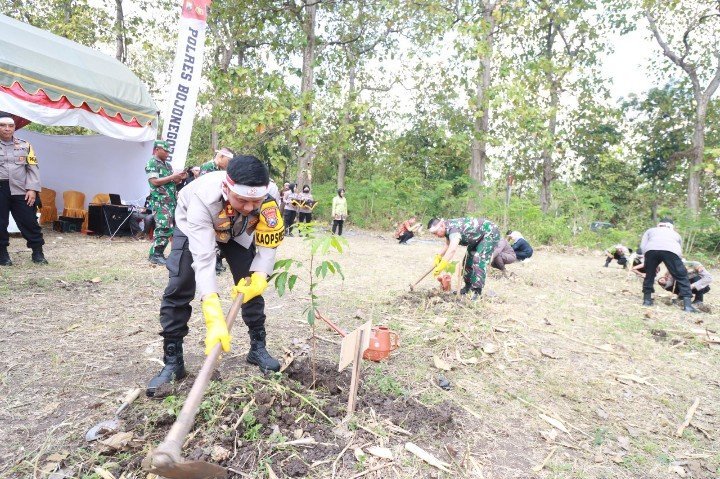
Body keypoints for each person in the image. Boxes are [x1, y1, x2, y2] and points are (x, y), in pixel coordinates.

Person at [146, 155, 285, 397]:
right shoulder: (202, 198)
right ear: (226, 189)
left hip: (238, 232)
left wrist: (261, 275)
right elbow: (204, 258)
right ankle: (173, 360)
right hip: (194, 227)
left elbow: (268, 240)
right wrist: (212, 314)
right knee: (181, 282)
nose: (251, 207)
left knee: (248, 280)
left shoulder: (269, 196)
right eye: (242, 200)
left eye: (256, 201)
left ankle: (258, 348)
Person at [0, 112, 47, 265]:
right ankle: (2, 254)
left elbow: (32, 168)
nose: (7, 128)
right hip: (1, 189)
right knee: (0, 223)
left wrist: (32, 189)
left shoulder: (25, 145)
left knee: (29, 221)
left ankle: (37, 252)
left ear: (14, 128)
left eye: (10, 126)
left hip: (22, 189)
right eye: (3, 125)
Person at [428, 217, 500, 299]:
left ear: (442, 225)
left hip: (489, 233)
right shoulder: (447, 228)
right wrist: (439, 256)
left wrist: (442, 265)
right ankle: (468, 287)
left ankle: (476, 291)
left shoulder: (453, 229)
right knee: (468, 260)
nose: (436, 236)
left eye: (436, 232)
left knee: (478, 260)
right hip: (477, 237)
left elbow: (452, 249)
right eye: (434, 234)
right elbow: (448, 245)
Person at [640, 218, 697, 313]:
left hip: (651, 250)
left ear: (659, 224)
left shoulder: (650, 230)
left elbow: (642, 246)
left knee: (649, 275)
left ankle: (647, 300)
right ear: (671, 226)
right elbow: (679, 250)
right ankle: (687, 306)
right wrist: (677, 265)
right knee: (682, 276)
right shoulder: (676, 234)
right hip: (671, 251)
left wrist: (647, 259)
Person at [146, 140, 187, 265]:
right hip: (160, 201)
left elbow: (171, 182)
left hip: (171, 201)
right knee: (163, 227)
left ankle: (163, 253)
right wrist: (172, 176)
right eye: (165, 150)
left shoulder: (168, 165)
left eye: (169, 151)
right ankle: (155, 255)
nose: (168, 153)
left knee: (172, 227)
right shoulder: (152, 163)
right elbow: (155, 182)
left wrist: (179, 178)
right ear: (157, 149)